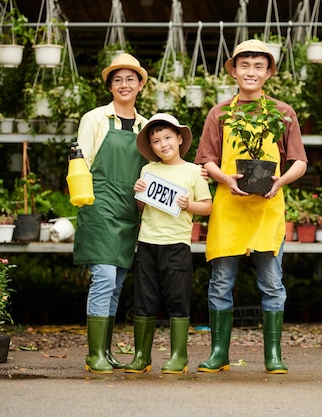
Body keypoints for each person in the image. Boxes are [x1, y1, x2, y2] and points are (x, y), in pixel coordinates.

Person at [194, 39, 308, 374]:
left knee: (272, 283)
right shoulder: (220, 113)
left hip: (267, 208)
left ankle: (273, 355)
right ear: (234, 71)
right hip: (229, 206)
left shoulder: (282, 112)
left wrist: (280, 181)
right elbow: (206, 160)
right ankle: (219, 353)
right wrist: (225, 178)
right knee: (220, 283)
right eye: (245, 65)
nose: (251, 72)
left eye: (259, 66)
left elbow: (299, 161)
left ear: (269, 73)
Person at [73, 53, 149, 374]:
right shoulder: (95, 119)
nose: (124, 84)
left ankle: (104, 350)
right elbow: (81, 164)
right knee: (103, 279)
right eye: (117, 79)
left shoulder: (147, 126)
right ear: (109, 86)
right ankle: (94, 354)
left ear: (140, 85)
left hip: (129, 212)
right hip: (100, 206)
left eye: (130, 79)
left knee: (116, 283)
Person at [126, 113, 212, 374]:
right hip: (148, 243)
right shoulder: (148, 170)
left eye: (167, 137)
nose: (163, 144)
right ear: (150, 147)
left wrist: (189, 205)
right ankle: (142, 355)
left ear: (179, 138)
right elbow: (142, 207)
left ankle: (179, 356)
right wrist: (138, 191)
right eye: (156, 141)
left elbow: (208, 207)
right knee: (144, 299)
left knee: (178, 298)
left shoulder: (194, 171)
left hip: (177, 245)